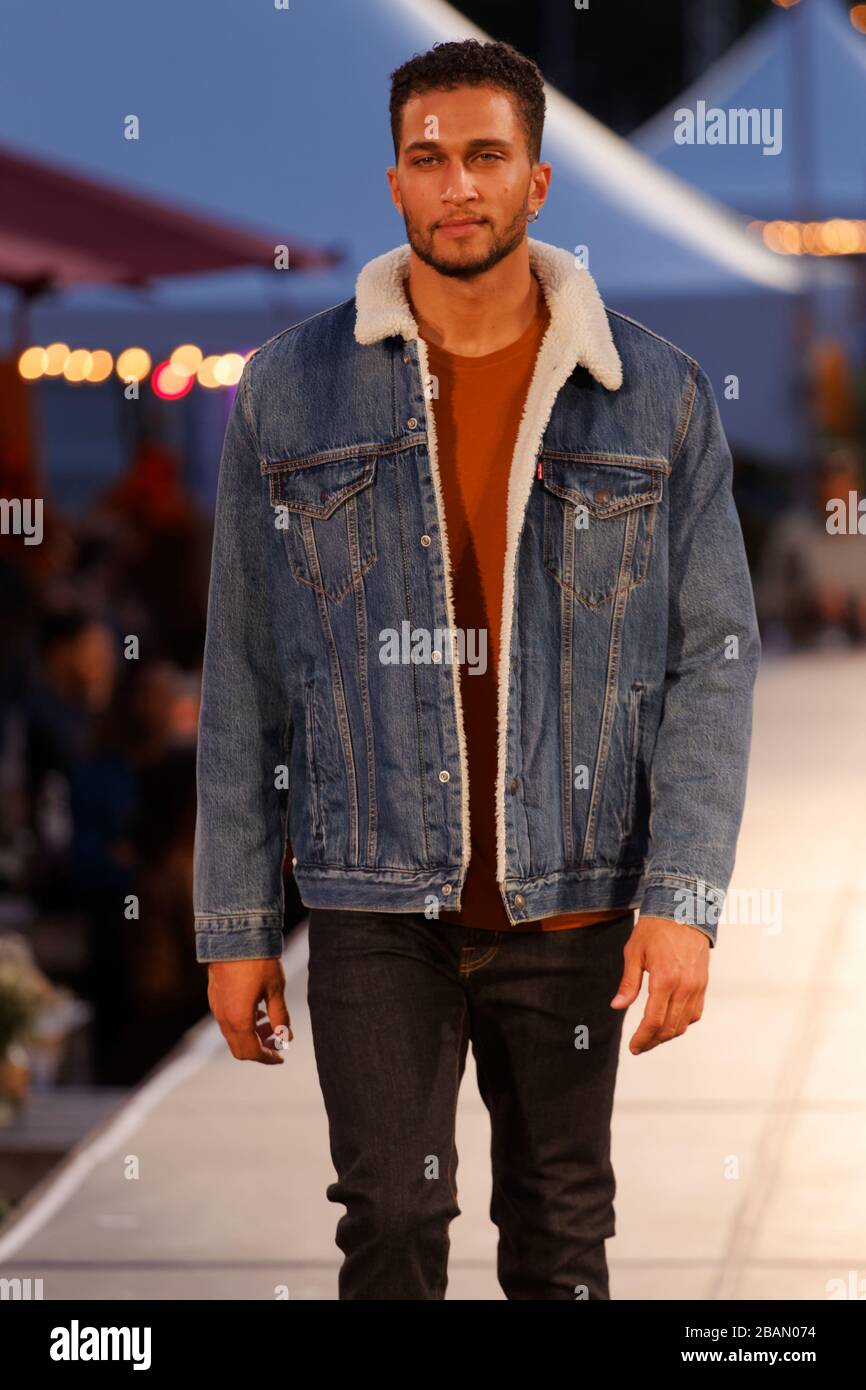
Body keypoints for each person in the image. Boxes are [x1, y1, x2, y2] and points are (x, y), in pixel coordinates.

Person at [194, 39, 761, 1299]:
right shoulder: (291, 390)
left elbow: (712, 658)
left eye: (485, 156)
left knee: (559, 1241)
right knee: (390, 1223)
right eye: (428, 158)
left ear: (537, 183)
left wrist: (684, 896)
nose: (457, 184)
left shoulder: (651, 394)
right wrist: (233, 923)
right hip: (371, 900)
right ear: (393, 185)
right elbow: (241, 669)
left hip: (571, 897)